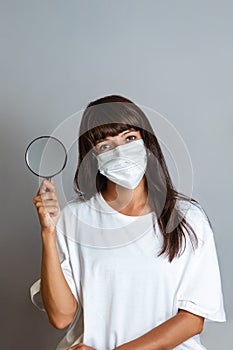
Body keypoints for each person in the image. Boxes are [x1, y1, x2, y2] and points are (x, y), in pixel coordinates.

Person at [30, 95, 226, 350]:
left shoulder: (188, 217)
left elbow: (192, 320)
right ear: (93, 157)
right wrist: (48, 232)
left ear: (147, 142)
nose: (120, 151)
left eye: (130, 138)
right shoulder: (74, 218)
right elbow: (61, 316)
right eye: (105, 145)